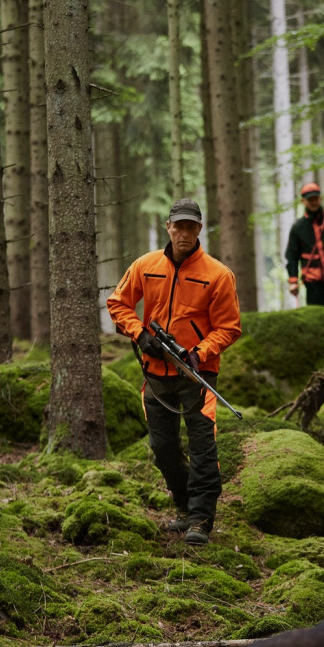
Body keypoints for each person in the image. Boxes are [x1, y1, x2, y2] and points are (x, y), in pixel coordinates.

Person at [106, 199, 241, 545]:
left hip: (198, 376)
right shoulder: (146, 265)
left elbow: (229, 327)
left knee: (202, 448)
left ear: (199, 230)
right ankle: (183, 507)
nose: (184, 233)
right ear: (168, 227)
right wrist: (140, 334)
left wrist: (200, 353)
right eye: (178, 226)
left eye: (190, 227)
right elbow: (117, 303)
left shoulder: (217, 275)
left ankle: (200, 518)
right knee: (162, 447)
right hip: (154, 373)